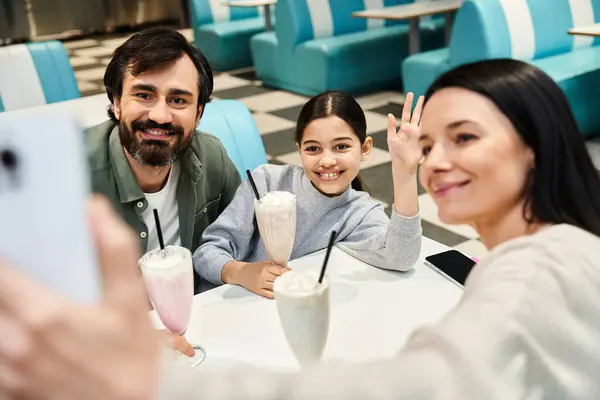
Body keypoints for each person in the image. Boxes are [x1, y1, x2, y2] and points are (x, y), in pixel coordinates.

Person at [2, 58, 600, 399]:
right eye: (429, 143)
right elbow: (215, 250)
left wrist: (137, 377)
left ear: (536, 142)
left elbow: (418, 380)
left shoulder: (536, 275)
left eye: (463, 137)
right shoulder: (266, 183)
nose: (436, 159)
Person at [193, 90, 423, 298]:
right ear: (299, 149)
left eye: (341, 147)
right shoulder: (266, 182)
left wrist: (405, 172)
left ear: (365, 149)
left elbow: (401, 257)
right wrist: (241, 272)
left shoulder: (361, 213)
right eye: (313, 148)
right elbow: (206, 253)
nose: (327, 161)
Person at [87, 27, 241, 281]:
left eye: (178, 100)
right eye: (144, 95)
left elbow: (245, 234)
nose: (159, 116)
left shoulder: (212, 156)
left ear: (199, 113)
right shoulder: (69, 173)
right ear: (116, 102)